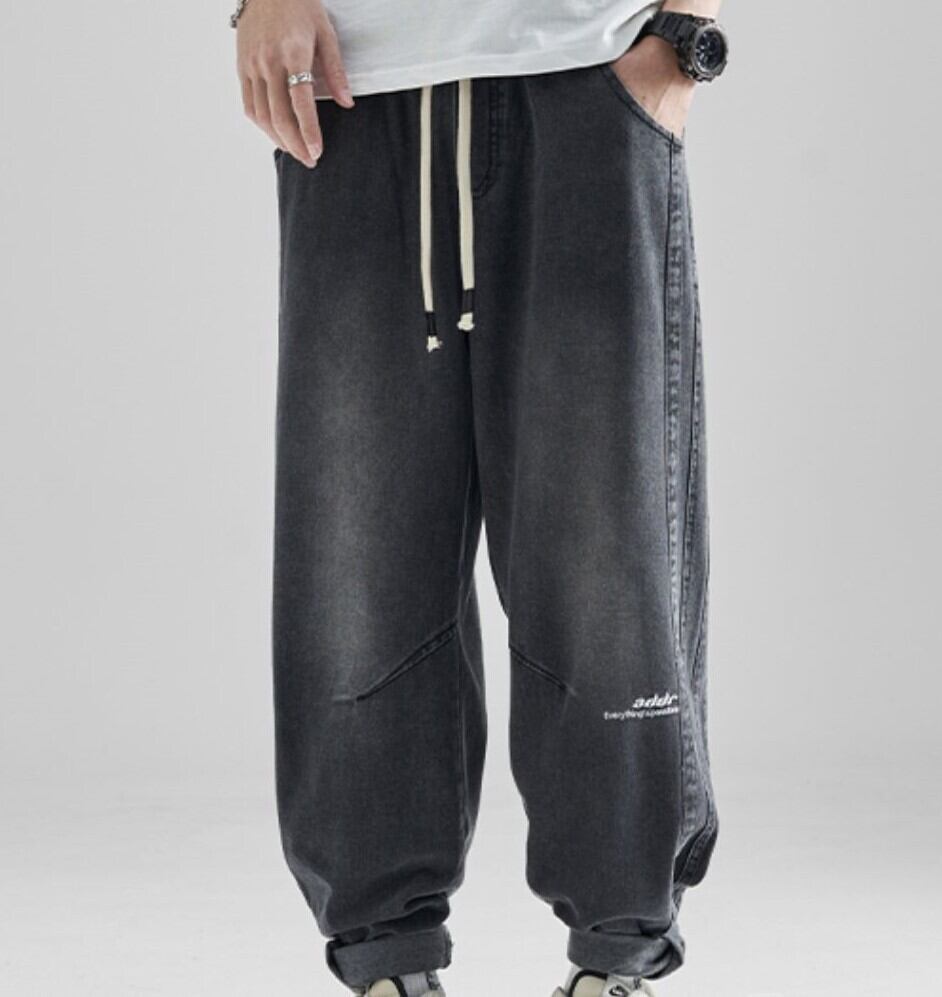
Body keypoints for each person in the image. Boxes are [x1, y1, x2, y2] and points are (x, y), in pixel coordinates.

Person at [234, 0, 726, 993]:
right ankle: (386, 961)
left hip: (586, 75)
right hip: (351, 86)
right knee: (359, 549)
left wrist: (681, 36)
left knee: (604, 543)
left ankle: (618, 956)